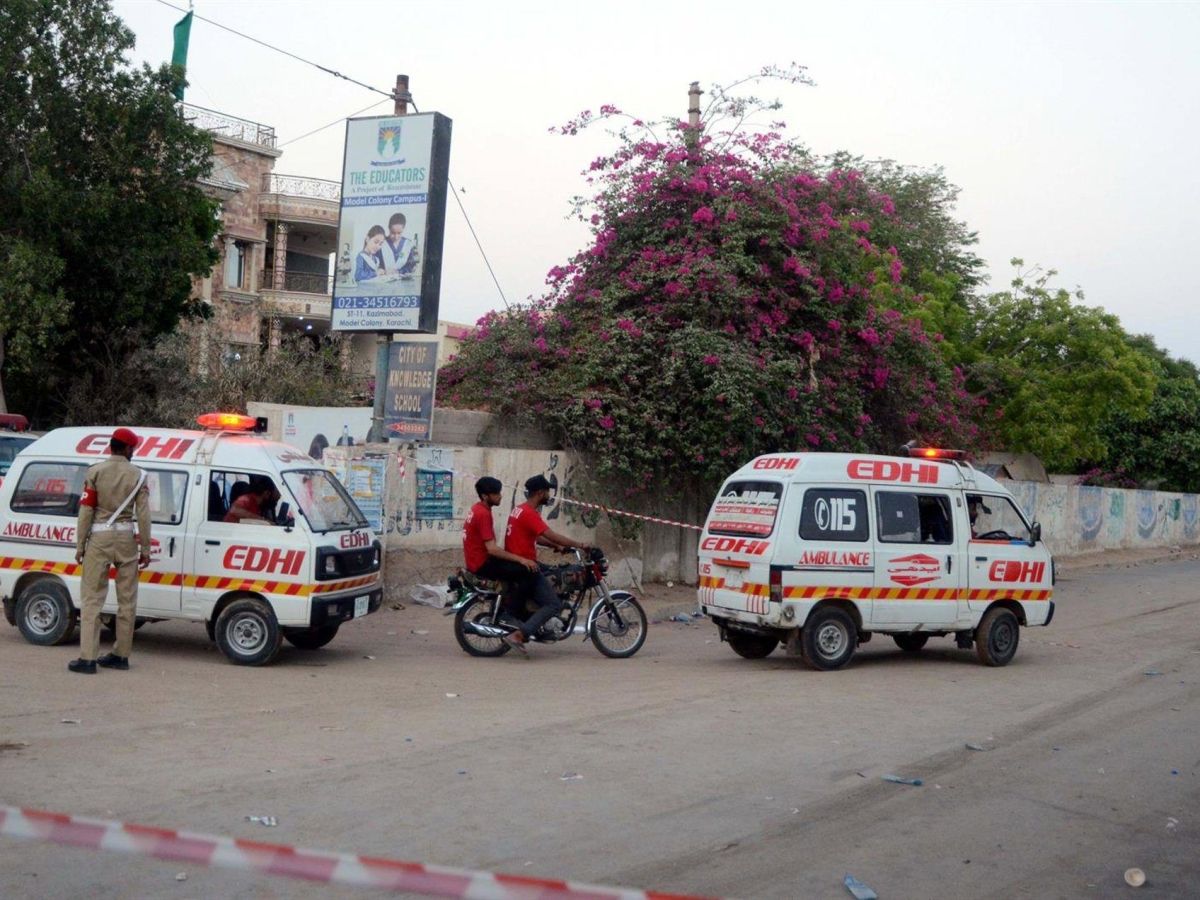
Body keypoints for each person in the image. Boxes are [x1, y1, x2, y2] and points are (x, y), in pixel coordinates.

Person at [68, 428, 151, 674]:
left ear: (110, 447)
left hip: (99, 540)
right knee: (127, 601)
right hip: (126, 540)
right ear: (127, 449)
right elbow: (144, 515)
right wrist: (145, 548)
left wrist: (80, 545)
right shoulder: (139, 475)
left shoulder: (95, 472)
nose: (133, 452)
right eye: (132, 448)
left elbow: (86, 511)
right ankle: (121, 655)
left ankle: (88, 659)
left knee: (92, 600)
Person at [501, 474, 592, 653]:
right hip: (525, 567)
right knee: (553, 604)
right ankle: (519, 635)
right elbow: (551, 534)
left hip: (518, 562)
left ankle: (537, 622)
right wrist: (579, 545)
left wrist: (556, 546)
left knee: (552, 571)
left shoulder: (519, 510)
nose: (549, 495)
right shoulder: (530, 513)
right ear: (540, 493)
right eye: (547, 491)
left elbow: (536, 537)